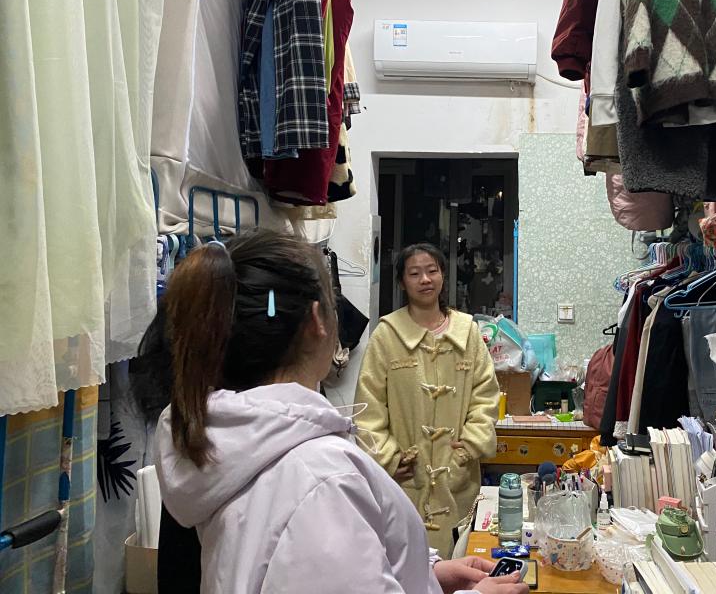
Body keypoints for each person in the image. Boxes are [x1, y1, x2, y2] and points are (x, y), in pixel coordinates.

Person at [154, 230, 524, 594]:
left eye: (432, 271)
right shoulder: (323, 479)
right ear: (318, 321)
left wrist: (425, 573)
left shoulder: (216, 439)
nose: (425, 280)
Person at [356, 243, 501, 554]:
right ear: (402, 282)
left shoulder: (467, 332)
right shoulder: (386, 335)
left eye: (432, 271)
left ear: (443, 276)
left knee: (460, 563)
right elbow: (368, 408)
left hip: (458, 477)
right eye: (414, 273)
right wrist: (388, 458)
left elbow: (486, 396)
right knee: (403, 564)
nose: (425, 279)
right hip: (405, 481)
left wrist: (469, 448)